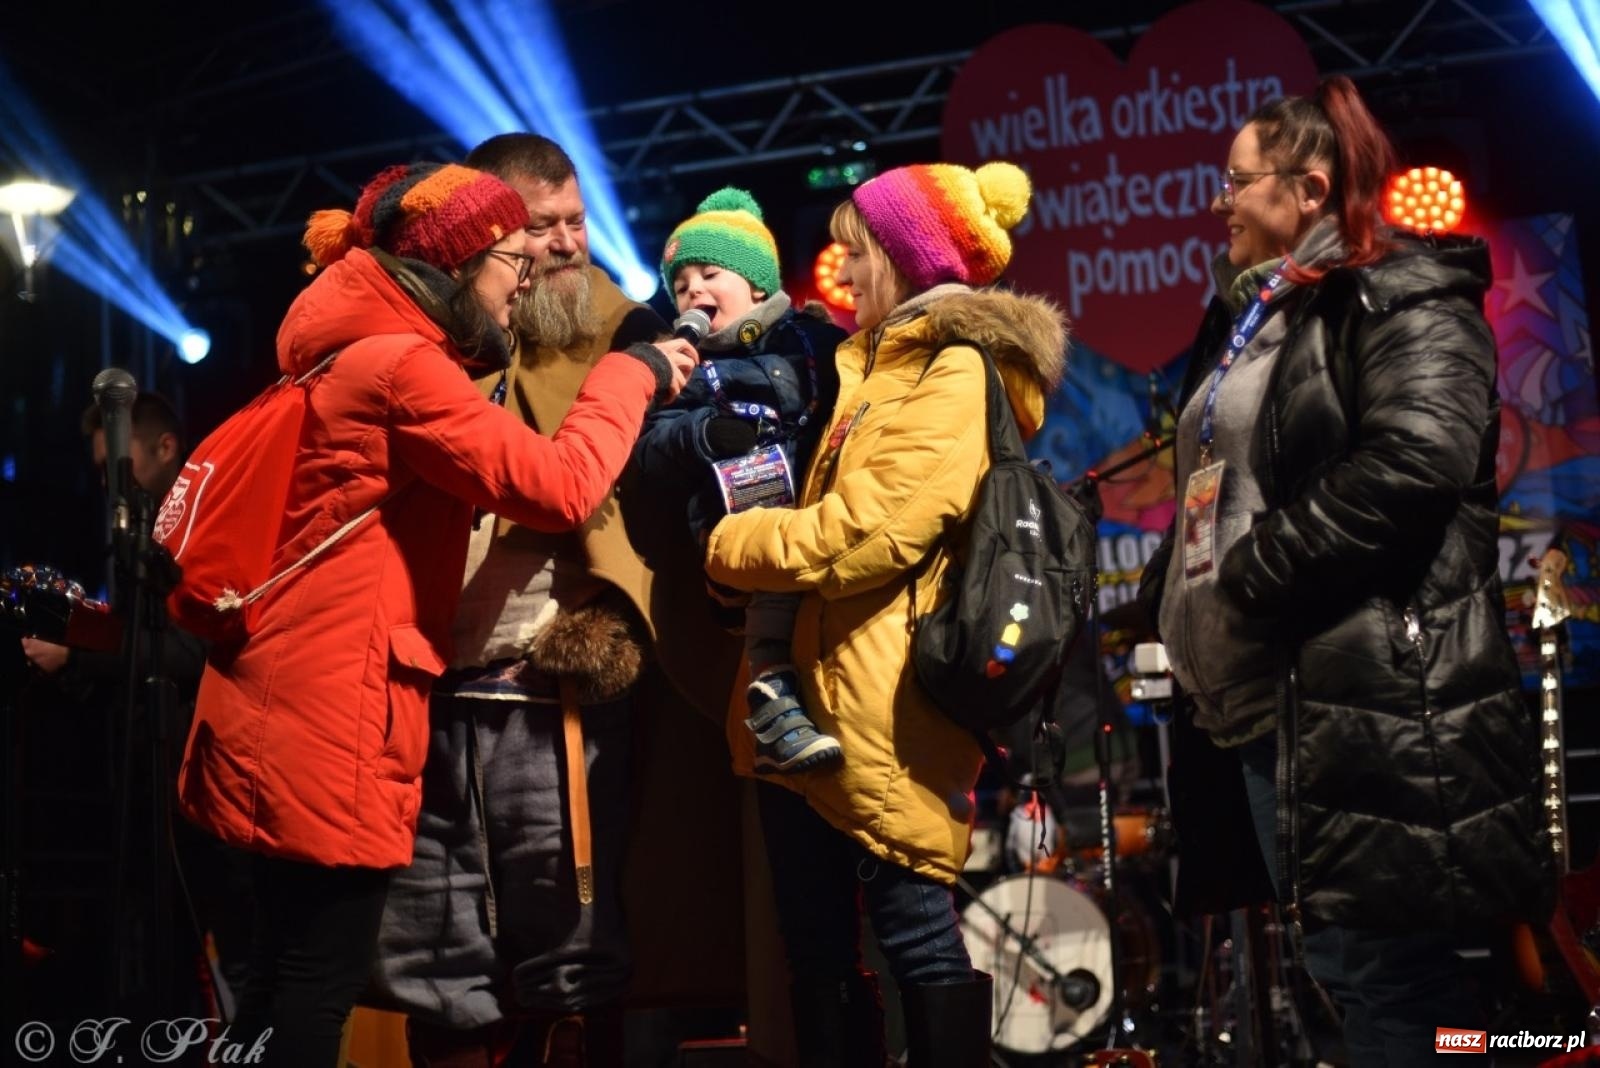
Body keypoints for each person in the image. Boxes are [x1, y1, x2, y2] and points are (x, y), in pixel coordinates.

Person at [175, 160, 695, 1068]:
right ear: (461, 264)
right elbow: (561, 487)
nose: (526, 279)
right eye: (513, 259)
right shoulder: (400, 367)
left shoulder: (345, 348)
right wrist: (632, 373)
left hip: (277, 695)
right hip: (328, 710)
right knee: (314, 981)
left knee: (276, 975)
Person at [1137, 76, 1551, 1066]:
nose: (1218, 200)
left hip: (1363, 692)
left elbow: (1415, 464)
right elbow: (1225, 487)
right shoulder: (1259, 314)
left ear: (1310, 190)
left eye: (1235, 181)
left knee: (1392, 983)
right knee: (1350, 972)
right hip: (1270, 702)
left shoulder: (1401, 291)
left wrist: (1249, 578)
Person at [704, 161, 1066, 1065]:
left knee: (915, 940)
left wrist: (731, 543)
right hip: (822, 709)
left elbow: (862, 539)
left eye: (856, 249)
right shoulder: (875, 368)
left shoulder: (948, 371)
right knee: (820, 957)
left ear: (906, 258)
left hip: (885, 710)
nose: (842, 267)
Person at [629, 186, 845, 774]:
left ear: (757, 285)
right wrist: (703, 433)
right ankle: (773, 707)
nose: (692, 290)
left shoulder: (817, 342)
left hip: (820, 511)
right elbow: (648, 450)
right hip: (742, 524)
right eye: (680, 284)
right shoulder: (681, 365)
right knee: (770, 587)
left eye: (708, 273)